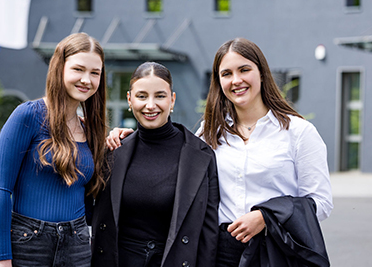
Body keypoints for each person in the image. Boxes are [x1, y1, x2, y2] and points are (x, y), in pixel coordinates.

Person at [107, 38, 333, 266]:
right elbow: (168, 153)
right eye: (226, 74)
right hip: (221, 252)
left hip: (275, 248)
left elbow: (320, 202)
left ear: (262, 73)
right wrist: (129, 136)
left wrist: (266, 217)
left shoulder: (298, 132)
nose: (236, 80)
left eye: (244, 70)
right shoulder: (209, 131)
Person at [0, 33, 107, 267]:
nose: (87, 79)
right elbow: (1, 191)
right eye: (78, 69)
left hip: (77, 247)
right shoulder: (28, 116)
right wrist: (2, 259)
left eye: (95, 73)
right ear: (60, 68)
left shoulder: (91, 130)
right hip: (30, 245)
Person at [92, 62, 219, 267]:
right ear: (129, 100)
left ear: (172, 100)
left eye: (160, 96)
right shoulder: (114, 150)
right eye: (142, 96)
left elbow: (208, 232)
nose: (150, 105)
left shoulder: (201, 156)